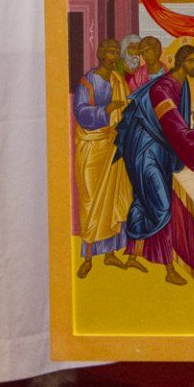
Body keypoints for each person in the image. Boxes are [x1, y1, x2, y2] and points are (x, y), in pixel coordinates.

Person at [115, 41, 194, 284]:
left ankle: (134, 254)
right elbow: (175, 129)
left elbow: (178, 125)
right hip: (144, 149)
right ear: (179, 62)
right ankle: (168, 269)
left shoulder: (181, 84)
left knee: (146, 199)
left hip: (160, 149)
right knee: (162, 205)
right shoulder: (162, 89)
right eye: (191, 60)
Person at [72, 38, 144, 276]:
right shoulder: (88, 81)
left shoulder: (117, 80)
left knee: (113, 199)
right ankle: (89, 257)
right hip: (92, 147)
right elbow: (80, 112)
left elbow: (125, 110)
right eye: (110, 53)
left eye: (116, 53)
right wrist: (106, 110)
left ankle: (111, 254)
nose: (114, 57)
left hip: (113, 144)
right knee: (92, 201)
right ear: (101, 55)